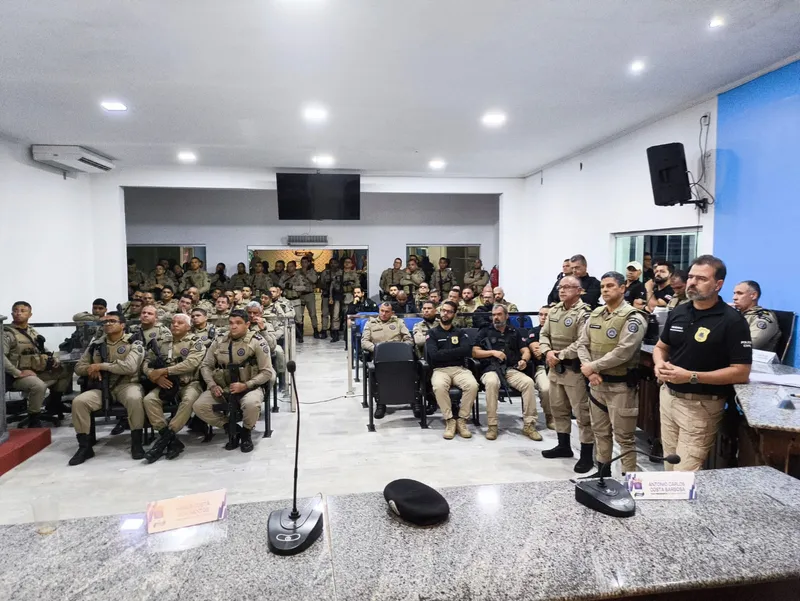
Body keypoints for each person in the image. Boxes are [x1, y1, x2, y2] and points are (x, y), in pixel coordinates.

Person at [653, 255, 752, 471]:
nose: (692, 282)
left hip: (700, 405)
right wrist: (658, 363)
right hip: (668, 397)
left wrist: (691, 376)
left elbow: (741, 372)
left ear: (718, 284)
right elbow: (661, 347)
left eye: (701, 278)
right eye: (690, 277)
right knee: (669, 466)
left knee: (684, 473)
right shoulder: (679, 311)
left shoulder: (732, 321)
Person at [577, 272, 648, 476]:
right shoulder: (596, 314)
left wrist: (593, 367)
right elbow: (582, 344)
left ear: (623, 288)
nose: (605, 290)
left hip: (621, 387)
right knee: (600, 432)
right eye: (602, 287)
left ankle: (629, 479)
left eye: (610, 286)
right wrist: (590, 371)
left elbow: (624, 351)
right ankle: (603, 474)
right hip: (597, 384)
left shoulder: (633, 317)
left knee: (624, 437)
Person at [69, 312, 146, 465]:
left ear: (122, 325)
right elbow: (78, 367)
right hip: (102, 387)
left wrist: (101, 366)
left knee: (134, 398)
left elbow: (130, 367)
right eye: (105, 322)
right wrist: (90, 369)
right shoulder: (96, 344)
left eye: (112, 321)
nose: (108, 324)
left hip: (127, 384)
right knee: (79, 402)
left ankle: (136, 443)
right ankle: (85, 447)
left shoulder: (134, 342)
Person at [193, 310, 274, 453]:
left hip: (250, 386)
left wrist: (246, 385)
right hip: (223, 386)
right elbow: (206, 366)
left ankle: (246, 432)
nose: (233, 326)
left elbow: (267, 372)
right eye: (230, 323)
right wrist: (212, 385)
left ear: (247, 324)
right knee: (199, 406)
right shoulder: (219, 341)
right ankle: (232, 429)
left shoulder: (257, 341)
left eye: (238, 323)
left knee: (251, 404)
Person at [538, 275, 594, 472]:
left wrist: (559, 355)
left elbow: (582, 341)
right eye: (560, 287)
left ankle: (586, 455)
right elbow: (543, 334)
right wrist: (547, 352)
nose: (562, 290)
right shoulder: (554, 310)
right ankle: (563, 446)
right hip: (555, 368)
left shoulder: (584, 313)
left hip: (574, 369)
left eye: (567, 287)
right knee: (558, 409)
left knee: (582, 414)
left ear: (579, 291)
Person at [141, 313, 206, 463]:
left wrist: (165, 371)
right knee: (149, 400)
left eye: (180, 323)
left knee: (189, 400)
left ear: (188, 327)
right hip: (165, 383)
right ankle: (170, 440)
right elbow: (146, 361)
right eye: (173, 322)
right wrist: (153, 375)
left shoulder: (195, 342)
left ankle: (165, 439)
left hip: (189, 383)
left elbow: (191, 363)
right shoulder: (161, 342)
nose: (175, 325)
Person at [473, 305, 540, 441]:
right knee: (492, 382)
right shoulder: (485, 331)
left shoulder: (514, 331)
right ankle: (492, 425)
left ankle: (529, 424)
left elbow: (525, 350)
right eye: (494, 315)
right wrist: (492, 352)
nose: (496, 318)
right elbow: (475, 352)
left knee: (528, 383)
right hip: (491, 369)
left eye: (499, 314)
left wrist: (524, 360)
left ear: (506, 315)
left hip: (510, 369)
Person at [3, 301, 72, 426]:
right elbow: (1, 357)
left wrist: (54, 359)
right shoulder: (7, 334)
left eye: (23, 311)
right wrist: (18, 372)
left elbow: (42, 348)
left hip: (35, 371)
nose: (18, 313)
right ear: (12, 314)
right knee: (38, 385)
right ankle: (33, 417)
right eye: (15, 311)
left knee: (66, 370)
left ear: (30, 314)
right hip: (15, 376)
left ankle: (54, 404)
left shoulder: (31, 331)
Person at [426, 301, 479, 439]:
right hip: (440, 370)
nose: (445, 313)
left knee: (473, 385)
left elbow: (466, 350)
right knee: (439, 386)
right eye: (443, 310)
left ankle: (462, 419)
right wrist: (456, 352)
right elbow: (434, 355)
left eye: (449, 311)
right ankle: (449, 420)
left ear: (454, 314)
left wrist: (444, 353)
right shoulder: (432, 333)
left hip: (459, 369)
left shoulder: (460, 332)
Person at [360, 302, 412, 419]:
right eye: (382, 311)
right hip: (379, 357)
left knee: (412, 369)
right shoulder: (370, 323)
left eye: (387, 311)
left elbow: (408, 339)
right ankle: (380, 404)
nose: (384, 314)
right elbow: (364, 342)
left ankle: (415, 401)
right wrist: (379, 350)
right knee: (376, 374)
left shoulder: (398, 322)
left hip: (399, 357)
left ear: (392, 312)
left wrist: (400, 350)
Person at [732, 280, 781, 352]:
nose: (734, 297)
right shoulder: (734, 315)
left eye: (740, 293)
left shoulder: (762, 318)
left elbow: (748, 345)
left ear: (754, 295)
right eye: (734, 293)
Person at [526, 306, 553, 430]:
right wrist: (551, 350)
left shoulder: (559, 331)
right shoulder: (534, 331)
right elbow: (537, 352)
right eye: (541, 314)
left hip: (560, 366)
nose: (543, 317)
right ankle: (550, 416)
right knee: (546, 388)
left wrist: (545, 350)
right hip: (541, 367)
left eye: (546, 315)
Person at [319, 259, 338, 340]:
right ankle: (324, 330)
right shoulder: (325, 273)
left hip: (336, 296)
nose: (333, 265)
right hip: (326, 295)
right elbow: (320, 283)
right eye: (331, 263)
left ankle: (334, 329)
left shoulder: (340, 272)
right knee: (325, 313)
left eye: (335, 263)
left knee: (335, 314)